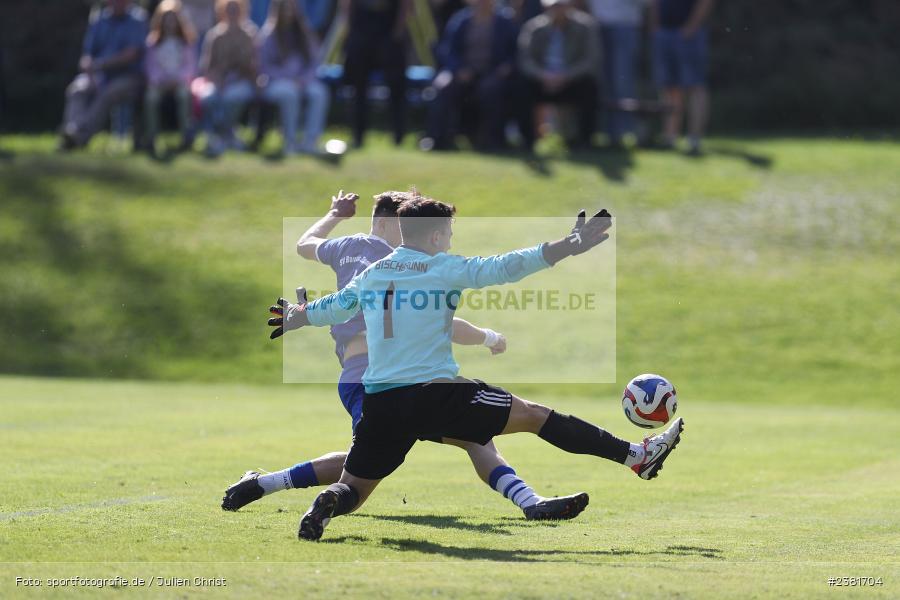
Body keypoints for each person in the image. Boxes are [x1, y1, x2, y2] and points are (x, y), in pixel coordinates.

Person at [269, 194, 685, 541]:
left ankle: (328, 502)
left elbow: (334, 307)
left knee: (354, 489)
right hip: (435, 394)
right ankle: (637, 456)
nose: (451, 239)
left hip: (381, 402)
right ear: (435, 236)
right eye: (449, 233)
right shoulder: (443, 267)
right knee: (535, 416)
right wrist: (567, 245)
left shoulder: (373, 274)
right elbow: (507, 265)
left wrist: (298, 316)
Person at [223, 190, 589, 521]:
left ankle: (530, 502)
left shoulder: (347, 248)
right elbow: (447, 322)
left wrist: (335, 214)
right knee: (367, 463)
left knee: (467, 439)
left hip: (355, 373)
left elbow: (306, 245)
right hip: (389, 376)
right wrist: (489, 336)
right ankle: (267, 483)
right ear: (391, 223)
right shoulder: (403, 263)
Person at [422, 0, 520, 151]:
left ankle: (491, 140)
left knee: (491, 90)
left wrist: (506, 67)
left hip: (492, 72)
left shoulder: (504, 23)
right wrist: (459, 68)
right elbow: (447, 50)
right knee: (442, 86)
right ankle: (436, 138)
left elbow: (515, 52)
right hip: (463, 71)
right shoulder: (460, 20)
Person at [59, 0, 148, 150]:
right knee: (77, 89)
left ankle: (78, 137)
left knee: (107, 93)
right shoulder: (99, 20)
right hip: (98, 75)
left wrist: (101, 65)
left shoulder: (137, 20)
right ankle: (72, 130)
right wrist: (88, 69)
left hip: (129, 77)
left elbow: (131, 54)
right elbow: (87, 55)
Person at [517, 0, 600, 151]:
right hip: (542, 80)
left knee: (589, 87)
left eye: (561, 5)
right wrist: (543, 76)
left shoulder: (585, 26)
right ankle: (527, 141)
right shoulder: (534, 27)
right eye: (554, 6)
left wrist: (566, 76)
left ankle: (584, 141)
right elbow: (526, 60)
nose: (558, 10)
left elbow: (590, 60)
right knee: (521, 87)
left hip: (572, 80)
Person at [257, 0, 330, 154]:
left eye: (291, 9)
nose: (288, 13)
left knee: (319, 92)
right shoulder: (269, 34)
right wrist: (287, 78)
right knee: (289, 94)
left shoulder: (304, 32)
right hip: (277, 82)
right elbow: (264, 67)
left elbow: (314, 63)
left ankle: (310, 141)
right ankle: (290, 141)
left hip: (303, 81)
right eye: (284, 9)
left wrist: (303, 80)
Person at [340, 0, 412, 147]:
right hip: (361, 33)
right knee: (358, 90)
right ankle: (358, 136)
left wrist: (398, 30)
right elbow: (346, 4)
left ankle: (399, 136)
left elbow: (406, 4)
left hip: (389, 35)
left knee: (397, 88)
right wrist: (350, 28)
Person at [650, 0, 713, 154]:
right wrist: (656, 26)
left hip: (689, 33)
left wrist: (692, 26)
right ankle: (670, 137)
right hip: (664, 31)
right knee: (669, 88)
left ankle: (694, 139)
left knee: (694, 86)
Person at [196, 0, 258, 156]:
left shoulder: (249, 35)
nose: (232, 13)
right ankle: (222, 136)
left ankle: (225, 135)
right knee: (208, 97)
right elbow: (206, 68)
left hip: (242, 82)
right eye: (229, 9)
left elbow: (253, 67)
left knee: (233, 97)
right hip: (218, 81)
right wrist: (219, 80)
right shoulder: (214, 36)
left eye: (236, 9)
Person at [144, 0, 198, 152]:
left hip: (180, 82)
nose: (170, 23)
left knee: (183, 96)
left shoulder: (186, 41)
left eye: (173, 19)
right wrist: (161, 79)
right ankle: (151, 136)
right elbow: (150, 66)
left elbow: (190, 66)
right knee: (151, 98)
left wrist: (178, 79)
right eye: (166, 19)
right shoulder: (153, 42)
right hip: (159, 83)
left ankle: (186, 135)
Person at [590, 0, 646, 146]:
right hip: (597, 24)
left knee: (623, 81)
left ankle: (626, 131)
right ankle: (607, 133)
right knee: (602, 82)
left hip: (625, 25)